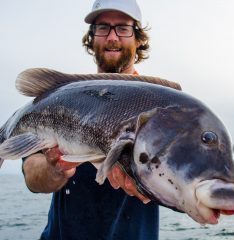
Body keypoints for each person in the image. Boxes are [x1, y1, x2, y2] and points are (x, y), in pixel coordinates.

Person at [22, 0, 159, 239]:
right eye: (103, 27)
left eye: (123, 28)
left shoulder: (160, 109)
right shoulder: (64, 99)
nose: (112, 37)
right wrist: (55, 170)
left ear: (138, 39)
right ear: (92, 38)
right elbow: (31, 173)